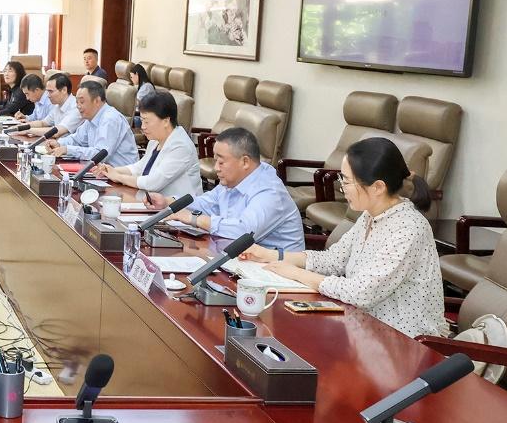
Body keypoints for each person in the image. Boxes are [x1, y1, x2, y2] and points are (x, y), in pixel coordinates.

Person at [241, 137, 447, 339]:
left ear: (378, 187)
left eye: (347, 181)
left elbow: (361, 293)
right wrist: (271, 255)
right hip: (363, 327)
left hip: (403, 341)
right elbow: (333, 260)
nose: (342, 187)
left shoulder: (408, 229)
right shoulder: (370, 215)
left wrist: (297, 274)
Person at [162, 126, 304, 252]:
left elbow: (244, 232)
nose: (216, 168)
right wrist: (168, 202)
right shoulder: (233, 181)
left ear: (245, 162)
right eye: (216, 161)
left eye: (221, 162)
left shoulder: (269, 192)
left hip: (277, 269)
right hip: (241, 259)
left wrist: (195, 219)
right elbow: (206, 203)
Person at [98, 90, 202, 201]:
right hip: (156, 202)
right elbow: (139, 168)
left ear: (166, 121)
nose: (143, 127)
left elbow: (153, 183)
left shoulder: (181, 146)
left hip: (182, 207)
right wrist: (109, 170)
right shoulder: (155, 141)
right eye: (142, 121)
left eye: (146, 122)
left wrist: (118, 177)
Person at [45, 79, 138, 167]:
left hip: (121, 174)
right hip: (101, 171)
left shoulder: (110, 119)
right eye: (77, 102)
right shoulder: (91, 118)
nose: (78, 106)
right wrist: (59, 144)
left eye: (82, 102)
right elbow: (77, 139)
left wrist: (67, 150)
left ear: (97, 101)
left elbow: (100, 155)